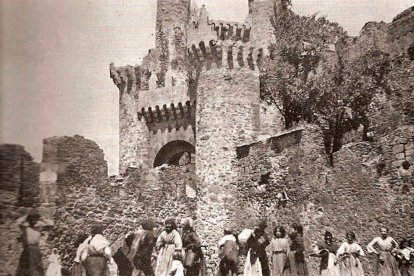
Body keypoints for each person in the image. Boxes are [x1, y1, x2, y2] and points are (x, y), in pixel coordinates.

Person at [16, 209, 51, 276]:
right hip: (28, 250)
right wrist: (26, 216)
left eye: (35, 219)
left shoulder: (39, 229)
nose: (33, 220)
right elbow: (18, 222)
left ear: (37, 219)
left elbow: (51, 224)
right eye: (31, 218)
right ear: (29, 219)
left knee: (37, 269)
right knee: (25, 269)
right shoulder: (26, 228)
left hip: (36, 250)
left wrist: (41, 218)